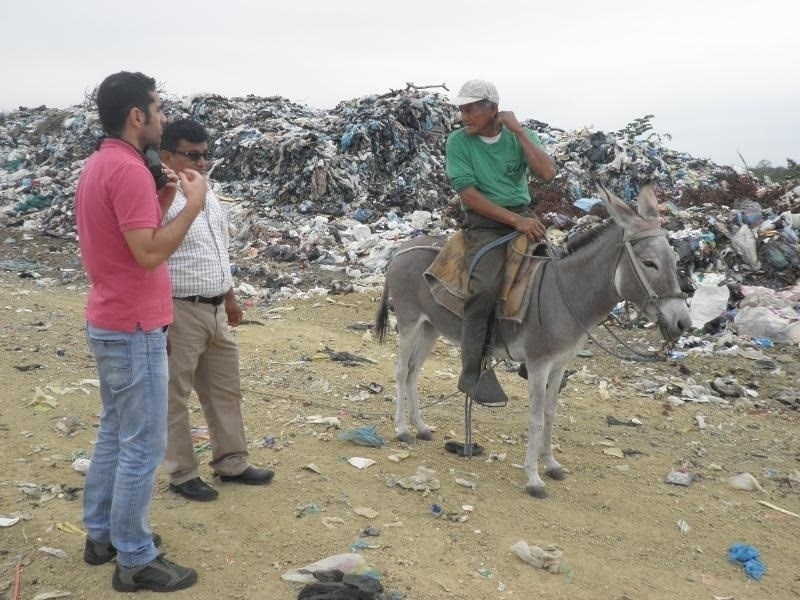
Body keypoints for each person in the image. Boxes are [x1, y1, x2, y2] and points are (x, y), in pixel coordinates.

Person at [75, 72, 206, 592]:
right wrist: (192, 208)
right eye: (158, 107)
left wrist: (164, 196)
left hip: (112, 318)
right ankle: (134, 557)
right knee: (142, 445)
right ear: (137, 116)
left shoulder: (103, 164)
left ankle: (101, 534)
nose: (164, 117)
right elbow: (149, 251)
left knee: (114, 431)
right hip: (132, 326)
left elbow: (136, 236)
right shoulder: (126, 170)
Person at [159, 119, 274, 502]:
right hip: (178, 309)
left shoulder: (207, 192)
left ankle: (232, 462)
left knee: (225, 389)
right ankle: (182, 472)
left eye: (206, 154)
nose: (203, 162)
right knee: (175, 394)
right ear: (166, 156)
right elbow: (151, 251)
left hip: (214, 309)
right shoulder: (159, 196)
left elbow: (216, 250)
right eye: (193, 155)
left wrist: (229, 298)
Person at [445, 79, 556, 406]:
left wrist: (520, 133)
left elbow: (547, 173)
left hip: (524, 216)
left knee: (556, 278)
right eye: (461, 109)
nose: (463, 115)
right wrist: (516, 221)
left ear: (493, 109)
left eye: (470, 109)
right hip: (485, 225)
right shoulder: (458, 143)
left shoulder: (519, 136)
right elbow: (468, 195)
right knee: (483, 288)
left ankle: (535, 358)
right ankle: (472, 371)